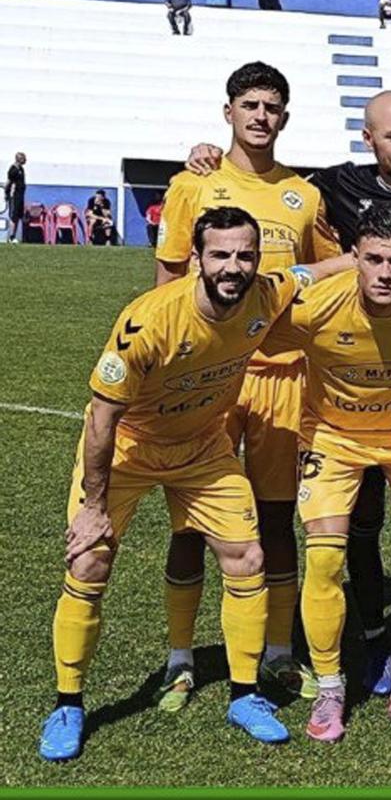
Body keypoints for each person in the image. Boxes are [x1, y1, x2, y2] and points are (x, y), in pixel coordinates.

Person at [177, 88, 391, 702]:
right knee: (358, 525)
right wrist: (207, 155)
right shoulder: (334, 185)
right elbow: (269, 196)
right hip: (343, 388)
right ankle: (369, 634)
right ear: (368, 140)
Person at [37, 207, 320, 761]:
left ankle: (244, 695)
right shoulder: (149, 321)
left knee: (246, 556)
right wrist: (94, 506)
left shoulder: (265, 295)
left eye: (245, 255)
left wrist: (372, 260)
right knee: (89, 561)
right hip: (131, 448)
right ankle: (68, 704)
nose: (233, 267)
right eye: (220, 255)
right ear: (196, 259)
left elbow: (313, 271)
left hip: (202, 448)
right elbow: (102, 419)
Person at [153, 62, 343, 710]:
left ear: (284, 116)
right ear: (228, 112)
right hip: (208, 378)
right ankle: (181, 658)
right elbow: (167, 282)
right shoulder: (193, 184)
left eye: (272, 106)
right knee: (190, 521)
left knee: (276, 517)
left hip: (284, 378)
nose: (261, 116)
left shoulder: (304, 195)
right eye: (250, 105)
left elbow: (322, 272)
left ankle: (280, 653)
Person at [259, 204, 391, 742]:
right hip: (334, 438)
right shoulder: (314, 308)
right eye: (373, 259)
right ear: (355, 257)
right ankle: (331, 688)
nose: (386, 273)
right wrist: (329, 267)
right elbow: (251, 321)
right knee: (325, 556)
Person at [5, 151, 25, 243]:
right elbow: (8, 182)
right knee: (13, 216)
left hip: (20, 195)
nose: (25, 160)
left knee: (17, 217)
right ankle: (11, 237)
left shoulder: (21, 169)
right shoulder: (13, 170)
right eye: (24, 158)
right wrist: (7, 193)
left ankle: (14, 236)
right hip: (14, 196)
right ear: (19, 159)